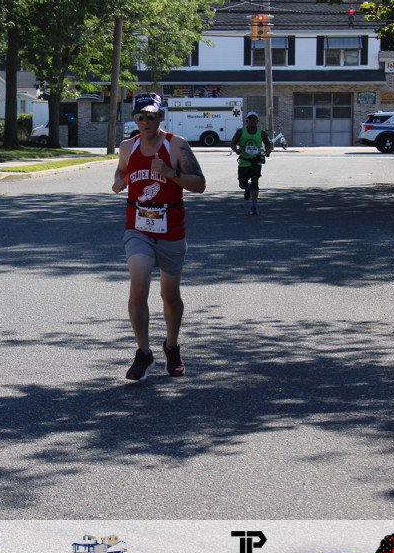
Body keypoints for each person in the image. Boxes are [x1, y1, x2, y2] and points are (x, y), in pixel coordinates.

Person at [112, 92, 207, 381]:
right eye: (140, 117)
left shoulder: (176, 145)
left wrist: (170, 173)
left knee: (170, 295)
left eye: (151, 116)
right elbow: (121, 169)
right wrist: (118, 180)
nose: (145, 121)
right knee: (138, 285)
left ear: (160, 117)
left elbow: (199, 184)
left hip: (171, 230)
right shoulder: (127, 146)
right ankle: (143, 353)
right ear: (134, 119)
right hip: (138, 228)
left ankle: (172, 347)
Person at [230, 111, 273, 216]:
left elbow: (268, 144)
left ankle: (254, 206)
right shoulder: (241, 132)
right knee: (242, 184)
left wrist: (268, 151)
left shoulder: (262, 133)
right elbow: (233, 143)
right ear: (247, 120)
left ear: (257, 121)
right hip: (244, 161)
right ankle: (247, 187)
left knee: (255, 182)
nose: (252, 121)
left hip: (256, 160)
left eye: (254, 119)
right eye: (250, 119)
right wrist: (236, 150)